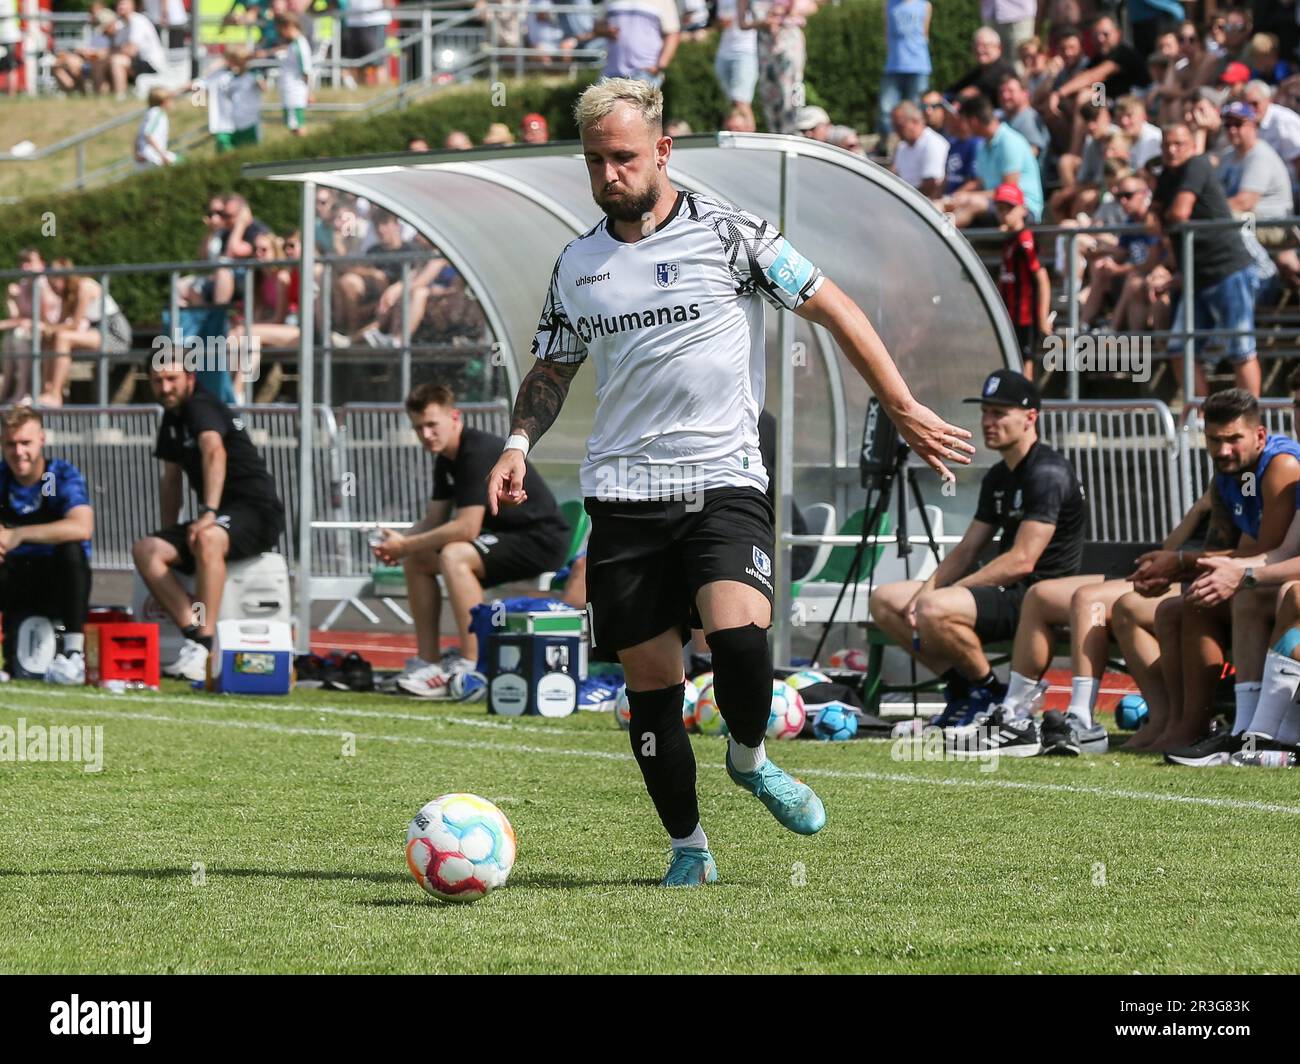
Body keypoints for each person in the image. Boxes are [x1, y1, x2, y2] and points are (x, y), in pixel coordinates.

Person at [488, 78, 973, 887]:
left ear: (663, 151)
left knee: (743, 644)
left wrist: (904, 404)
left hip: (722, 481)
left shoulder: (732, 235)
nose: (610, 174)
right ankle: (689, 849)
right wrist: (516, 442)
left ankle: (748, 758)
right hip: (623, 493)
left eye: (625, 157)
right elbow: (554, 364)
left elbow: (836, 305)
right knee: (652, 689)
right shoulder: (579, 263)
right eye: (596, 161)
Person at [870, 369, 1084, 755]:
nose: (987, 422)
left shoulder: (1048, 471)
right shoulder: (1000, 475)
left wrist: (942, 596)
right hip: (1006, 593)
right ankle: (966, 690)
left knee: (934, 606)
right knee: (886, 600)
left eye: (999, 413)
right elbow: (967, 550)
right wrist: (925, 591)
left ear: (1030, 417)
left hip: (1038, 598)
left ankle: (988, 696)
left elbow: (1022, 561)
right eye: (985, 412)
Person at [1113, 389, 1300, 764]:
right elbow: (1263, 550)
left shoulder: (1281, 467)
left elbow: (1270, 552)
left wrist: (1199, 565)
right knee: (1185, 604)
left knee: (1272, 595)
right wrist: (1186, 562)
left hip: (1280, 589)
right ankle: (1194, 726)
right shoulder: (1233, 475)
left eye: (1233, 439)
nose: (1224, 449)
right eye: (1215, 440)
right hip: (1274, 579)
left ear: (1259, 436)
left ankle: (1262, 733)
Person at [378, 383, 570, 698]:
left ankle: (473, 664)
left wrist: (405, 544)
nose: (426, 434)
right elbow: (434, 520)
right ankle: (429, 661)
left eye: (431, 425)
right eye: (418, 428)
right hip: (505, 538)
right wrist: (398, 544)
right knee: (419, 559)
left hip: (540, 539)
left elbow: (466, 529)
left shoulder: (475, 451)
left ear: (454, 417)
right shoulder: (445, 459)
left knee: (455, 554)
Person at [133, 352, 286, 681]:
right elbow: (171, 478)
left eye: (172, 379)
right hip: (219, 515)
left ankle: (205, 643)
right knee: (147, 550)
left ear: (190, 378)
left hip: (256, 510)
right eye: (158, 381)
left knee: (208, 537)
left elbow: (215, 451)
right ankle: (198, 637)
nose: (165, 387)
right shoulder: (171, 420)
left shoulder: (200, 406)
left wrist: (209, 512)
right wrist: (167, 529)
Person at [1151, 122, 1259, 397]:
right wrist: (1158, 219)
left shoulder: (1197, 165)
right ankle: (1198, 418)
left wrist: (1161, 220)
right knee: (1179, 348)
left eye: (1178, 144)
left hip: (1227, 269)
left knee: (1241, 349)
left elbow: (1178, 213)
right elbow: (1152, 216)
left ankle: (1253, 421)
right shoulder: (1167, 175)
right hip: (1196, 275)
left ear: (1191, 145)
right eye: (1166, 145)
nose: (1172, 150)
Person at [0, 407, 94, 685]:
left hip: (56, 580)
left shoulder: (53, 478)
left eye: (25, 443)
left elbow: (82, 526)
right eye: (10, 444)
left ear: (41, 439)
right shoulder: (2, 478)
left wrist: (19, 535)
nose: (18, 453)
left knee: (72, 550)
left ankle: (73, 654)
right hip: (15, 581)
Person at [42, 258, 133, 408]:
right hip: (97, 332)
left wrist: (51, 329)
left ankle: (55, 394)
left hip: (114, 335)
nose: (54, 286)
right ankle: (46, 389)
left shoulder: (85, 286)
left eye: (56, 279)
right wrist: (47, 331)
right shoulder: (68, 295)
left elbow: (74, 325)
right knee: (49, 340)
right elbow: (60, 323)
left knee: (62, 338)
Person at [945, 93, 1043, 227]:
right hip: (995, 204)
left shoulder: (1009, 142)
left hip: (1022, 209)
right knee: (946, 204)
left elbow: (1009, 190)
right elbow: (979, 183)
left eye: (963, 121)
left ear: (973, 121)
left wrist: (969, 197)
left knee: (973, 203)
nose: (962, 126)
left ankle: (940, 235)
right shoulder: (982, 146)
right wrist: (956, 197)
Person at [993, 184, 1051, 381]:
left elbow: (1041, 278)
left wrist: (1042, 318)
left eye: (1009, 208)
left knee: (1024, 361)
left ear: (1022, 210)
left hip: (1025, 316)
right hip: (1011, 314)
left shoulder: (1025, 239)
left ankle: (1024, 407)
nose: (1004, 214)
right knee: (1011, 359)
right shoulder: (1009, 239)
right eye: (1000, 209)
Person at [1, 248, 62, 406]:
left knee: (20, 336)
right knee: (9, 339)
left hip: (49, 330)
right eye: (23, 262)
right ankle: (6, 389)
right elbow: (17, 316)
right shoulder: (23, 284)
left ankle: (23, 392)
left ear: (41, 264)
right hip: (30, 330)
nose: (26, 266)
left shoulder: (45, 283)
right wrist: (9, 299)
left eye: (30, 262)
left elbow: (47, 318)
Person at [586, 0, 679, 85]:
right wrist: (605, 30)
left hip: (645, 73)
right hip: (610, 72)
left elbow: (672, 34)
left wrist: (660, 65)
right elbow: (596, 27)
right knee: (595, 102)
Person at [879, 0, 931, 142]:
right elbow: (887, 33)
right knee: (886, 108)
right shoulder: (889, 4)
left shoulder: (924, 5)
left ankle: (919, 141)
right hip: (894, 64)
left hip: (919, 64)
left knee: (917, 108)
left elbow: (925, 34)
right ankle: (891, 144)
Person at [205, 45, 263, 152]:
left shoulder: (253, 75)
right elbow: (203, 82)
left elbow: (263, 87)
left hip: (249, 123)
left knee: (251, 155)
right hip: (231, 124)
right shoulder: (225, 76)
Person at [107, 0, 166, 100]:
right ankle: (99, 94)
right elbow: (116, 48)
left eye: (123, 3)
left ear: (132, 5)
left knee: (116, 61)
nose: (120, 6)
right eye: (118, 3)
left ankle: (120, 97)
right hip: (137, 62)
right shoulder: (121, 24)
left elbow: (131, 51)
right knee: (102, 61)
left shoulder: (137, 21)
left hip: (151, 64)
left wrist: (107, 52)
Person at [890, 100, 948, 200]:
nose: (896, 130)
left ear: (915, 121)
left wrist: (900, 197)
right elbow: (894, 175)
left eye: (899, 125)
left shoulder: (933, 143)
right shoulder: (902, 146)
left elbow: (930, 186)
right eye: (894, 126)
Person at [714, 0, 758, 132]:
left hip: (746, 50)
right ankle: (732, 138)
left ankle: (749, 141)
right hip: (725, 51)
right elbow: (718, 23)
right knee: (733, 103)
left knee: (741, 101)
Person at [947, 25, 1015, 105]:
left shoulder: (1004, 70)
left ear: (998, 48)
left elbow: (973, 91)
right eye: (976, 46)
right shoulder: (978, 71)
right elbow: (953, 90)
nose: (979, 50)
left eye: (985, 46)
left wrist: (958, 100)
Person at [276, 11, 311, 135]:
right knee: (293, 126)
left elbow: (306, 71)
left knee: (298, 126)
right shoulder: (293, 44)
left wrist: (308, 92)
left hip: (294, 92)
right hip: (289, 91)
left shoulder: (299, 45)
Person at [135, 87, 176, 168]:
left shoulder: (150, 113)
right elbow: (148, 134)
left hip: (146, 154)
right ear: (163, 101)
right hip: (152, 155)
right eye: (170, 99)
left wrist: (136, 153)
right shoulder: (157, 113)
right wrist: (162, 154)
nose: (172, 102)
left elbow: (138, 136)